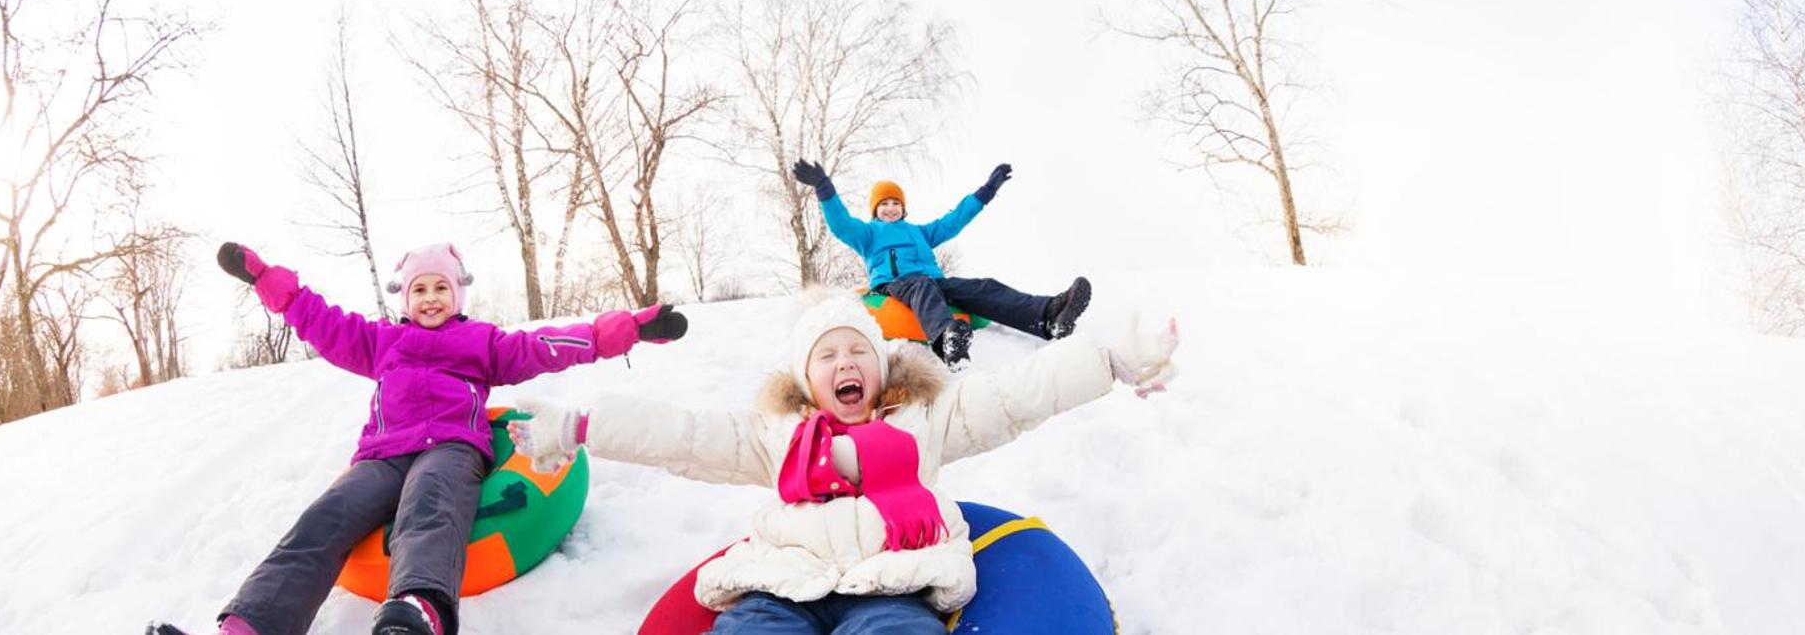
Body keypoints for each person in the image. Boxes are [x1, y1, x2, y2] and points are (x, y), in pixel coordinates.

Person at [509, 290, 1178, 634]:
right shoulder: (776, 435)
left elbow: (1010, 398)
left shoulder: (924, 421)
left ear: (881, 367)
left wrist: (1108, 361)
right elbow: (682, 434)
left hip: (893, 585)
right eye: (826, 357)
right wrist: (580, 424)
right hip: (781, 587)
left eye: (857, 351)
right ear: (807, 378)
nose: (844, 364)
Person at [147, 242, 688, 635]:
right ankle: (248, 626)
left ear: (456, 294)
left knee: (429, 509)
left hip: (452, 448)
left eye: (440, 288)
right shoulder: (383, 342)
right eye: (420, 289)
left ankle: (417, 613)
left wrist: (618, 332)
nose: (430, 298)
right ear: (405, 299)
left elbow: (545, 345)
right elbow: (322, 321)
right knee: (323, 520)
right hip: (381, 455)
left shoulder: (482, 342)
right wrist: (269, 280)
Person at [791, 159, 1090, 367]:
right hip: (895, 286)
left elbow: (953, 221)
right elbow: (841, 224)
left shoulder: (919, 232)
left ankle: (1048, 315)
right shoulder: (868, 234)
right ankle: (945, 339)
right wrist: (825, 189)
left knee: (981, 287)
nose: (891, 208)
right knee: (921, 287)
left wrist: (985, 194)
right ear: (875, 210)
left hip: (933, 282)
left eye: (896, 203)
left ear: (903, 208)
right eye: (884, 204)